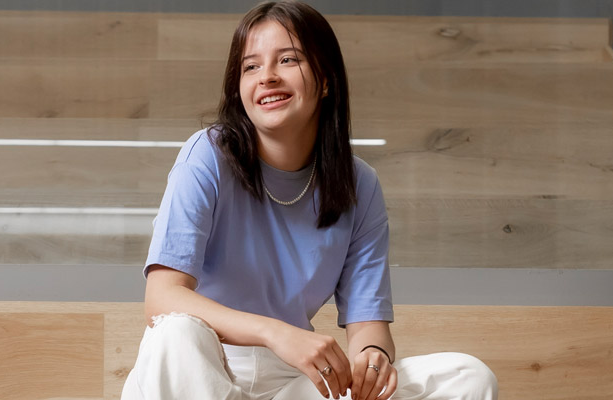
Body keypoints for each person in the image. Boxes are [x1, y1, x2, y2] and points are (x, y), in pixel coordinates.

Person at [120, 2, 497, 399]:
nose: (267, 77)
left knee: (467, 377)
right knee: (176, 331)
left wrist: (373, 358)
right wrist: (276, 333)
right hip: (199, 368)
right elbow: (162, 299)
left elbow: (368, 326)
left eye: (287, 59)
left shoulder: (360, 185)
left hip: (292, 381)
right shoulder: (207, 154)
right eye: (250, 67)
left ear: (327, 78)